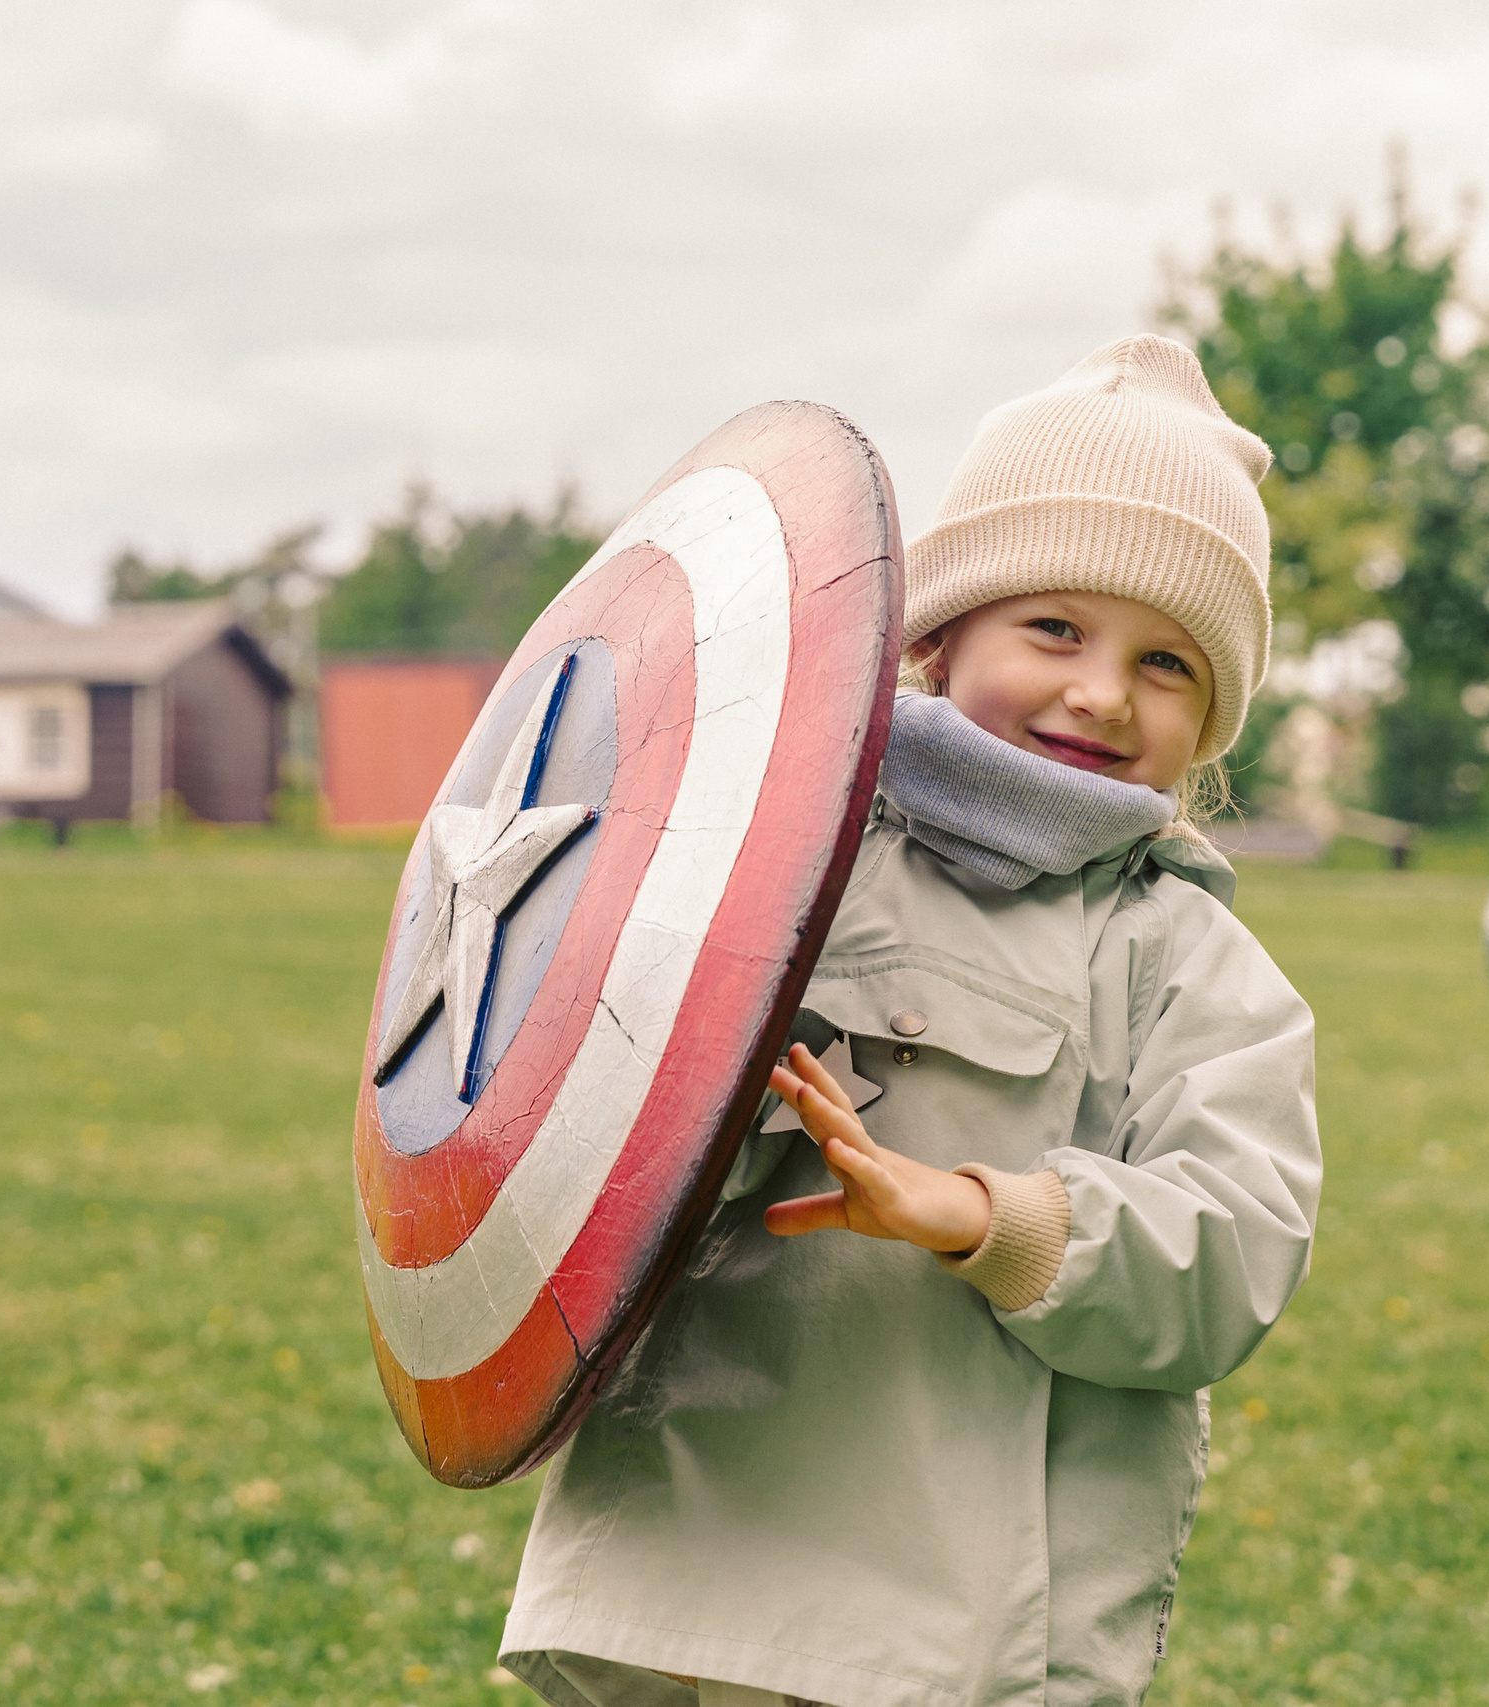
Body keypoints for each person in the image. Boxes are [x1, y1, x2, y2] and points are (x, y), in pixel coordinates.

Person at [498, 334, 1323, 1707]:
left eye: (1168, 664)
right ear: (942, 632)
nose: (1102, 693)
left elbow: (1229, 1256)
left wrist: (987, 1218)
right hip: (686, 1570)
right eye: (1055, 627)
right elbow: (579, 1080)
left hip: (963, 1635)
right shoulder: (768, 851)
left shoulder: (1193, 963)